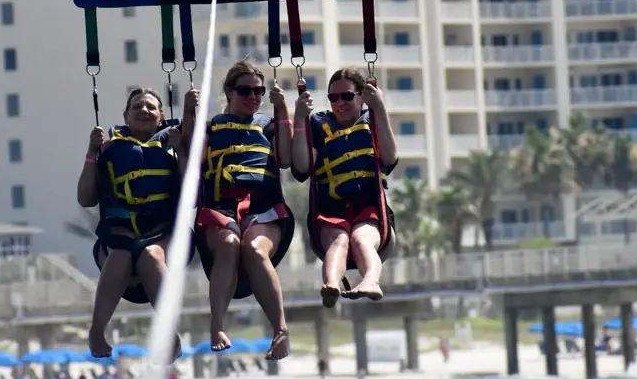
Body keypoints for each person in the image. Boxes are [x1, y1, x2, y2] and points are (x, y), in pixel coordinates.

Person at [179, 61, 294, 360]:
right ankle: (217, 324)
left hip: (263, 209)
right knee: (230, 243)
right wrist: (187, 112)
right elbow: (191, 159)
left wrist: (284, 111)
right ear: (229, 92)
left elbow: (286, 158)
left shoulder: (268, 125)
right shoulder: (212, 128)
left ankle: (280, 328)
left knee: (255, 250)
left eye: (259, 91)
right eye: (245, 90)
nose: (253, 96)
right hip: (220, 209)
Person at [77, 87, 186, 359]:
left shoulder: (173, 147)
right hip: (119, 233)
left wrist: (182, 150)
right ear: (125, 115)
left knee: (151, 255)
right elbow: (85, 198)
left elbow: (191, 195)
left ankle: (167, 331)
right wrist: (92, 152)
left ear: (162, 116)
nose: (143, 111)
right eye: (137, 106)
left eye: (150, 107)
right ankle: (97, 330)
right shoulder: (109, 149)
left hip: (160, 234)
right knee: (121, 256)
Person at [291, 67, 397, 305]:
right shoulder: (318, 125)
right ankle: (331, 284)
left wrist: (379, 107)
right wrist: (298, 118)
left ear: (361, 97)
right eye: (333, 98)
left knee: (360, 238)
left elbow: (389, 159)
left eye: (347, 96)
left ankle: (371, 281)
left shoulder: (373, 120)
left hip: (369, 206)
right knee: (338, 240)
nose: (340, 103)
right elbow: (301, 167)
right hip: (331, 208)